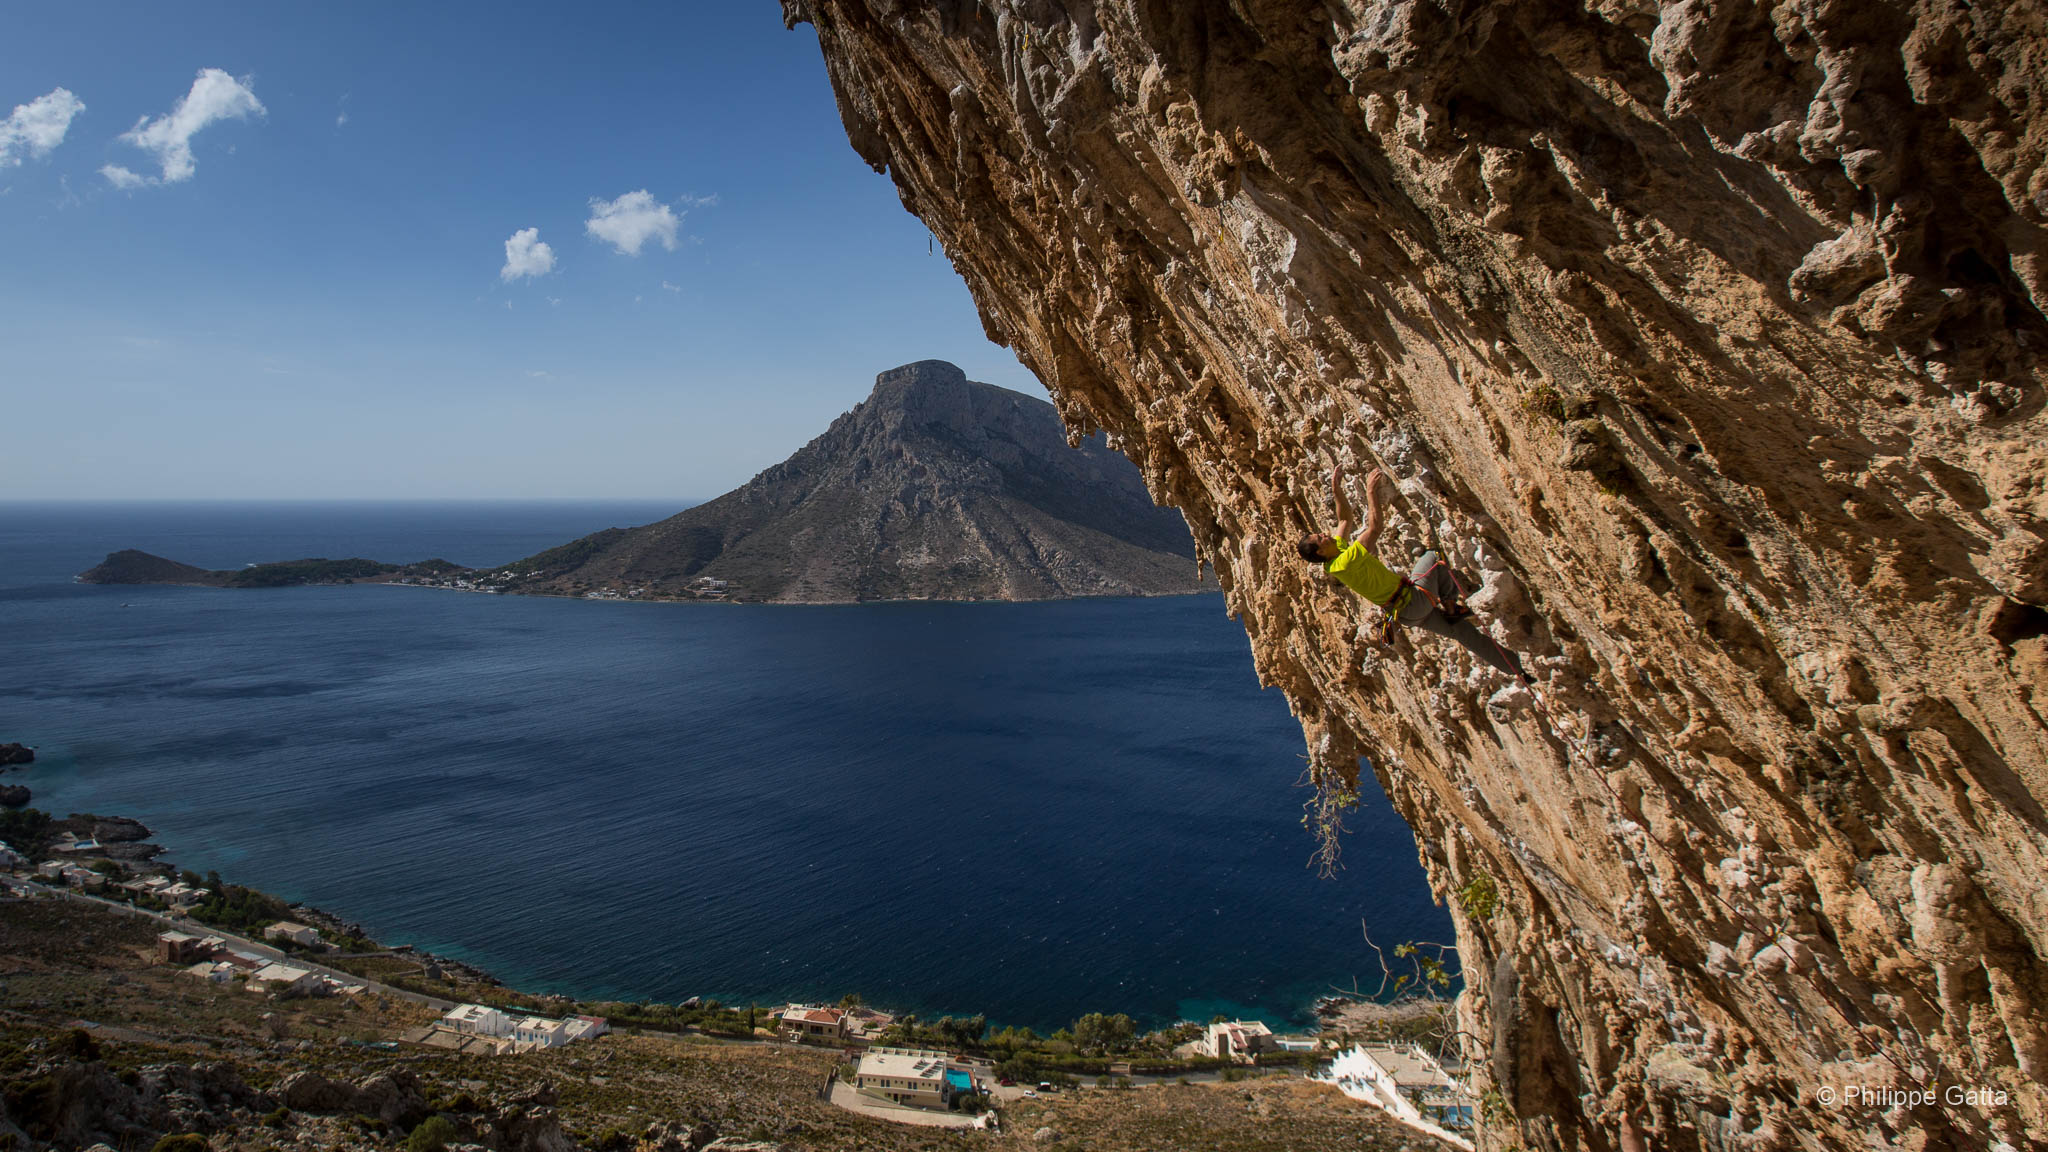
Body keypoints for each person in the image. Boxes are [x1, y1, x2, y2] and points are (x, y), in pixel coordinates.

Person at [1297, 464, 1530, 684]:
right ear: (1320, 551)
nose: (1325, 534)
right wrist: (1370, 491)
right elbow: (1374, 528)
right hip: (1412, 600)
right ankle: (1450, 606)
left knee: (1462, 632)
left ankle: (1517, 670)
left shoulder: (1334, 555)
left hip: (1406, 614)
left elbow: (1344, 518)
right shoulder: (1344, 562)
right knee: (1433, 557)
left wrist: (1336, 488)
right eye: (1321, 538)